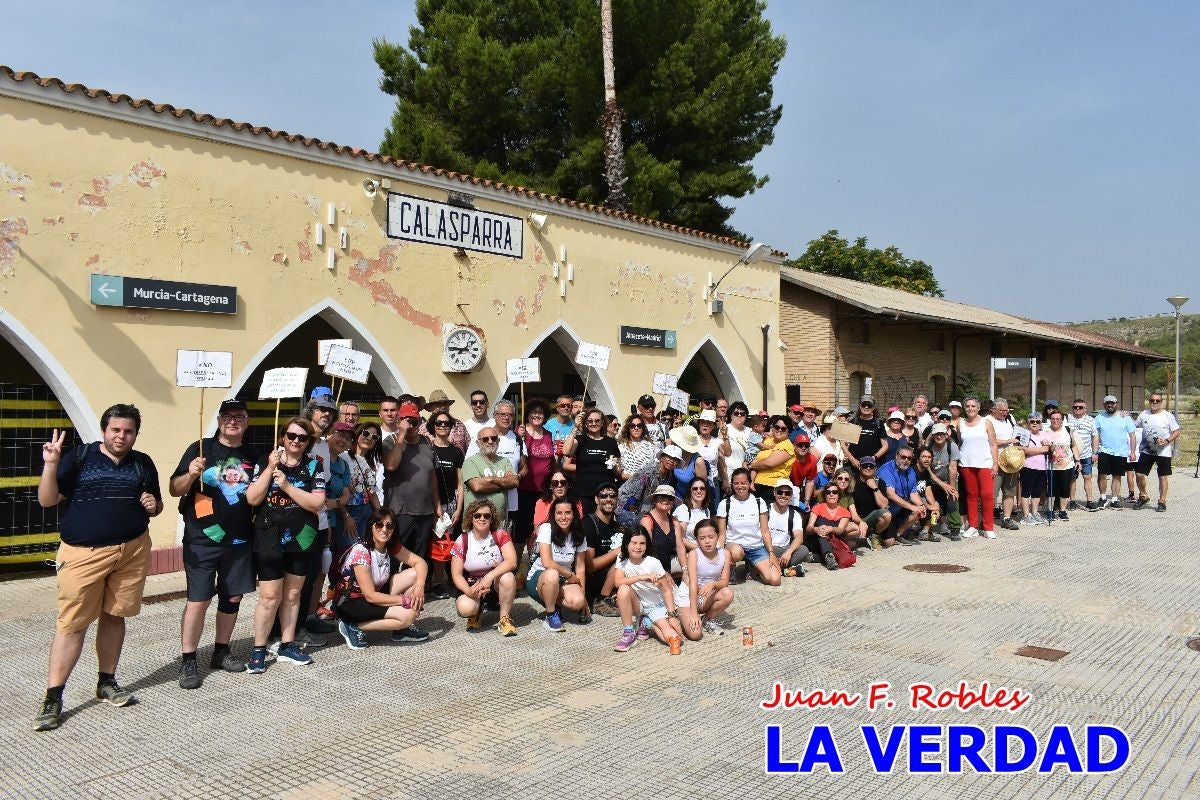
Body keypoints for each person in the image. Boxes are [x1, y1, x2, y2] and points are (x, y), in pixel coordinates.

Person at [34, 405, 162, 731]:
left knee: (115, 615)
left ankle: (107, 682)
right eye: (116, 430)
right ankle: (53, 697)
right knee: (72, 624)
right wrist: (50, 465)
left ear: (135, 433)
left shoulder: (142, 463)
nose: (121, 436)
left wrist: (154, 505)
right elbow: (47, 500)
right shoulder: (79, 457)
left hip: (131, 551)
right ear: (105, 430)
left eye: (128, 431)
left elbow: (156, 503)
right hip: (83, 554)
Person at [169, 399, 257, 690]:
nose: (233, 421)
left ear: (247, 421)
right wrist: (192, 473)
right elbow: (174, 489)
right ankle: (189, 659)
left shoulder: (254, 454)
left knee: (232, 597)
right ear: (219, 420)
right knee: (199, 599)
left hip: (240, 538)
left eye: (239, 416)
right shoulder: (201, 447)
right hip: (202, 538)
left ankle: (221, 650)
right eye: (228, 416)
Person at [245, 417, 326, 673]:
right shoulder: (265, 461)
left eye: (302, 438)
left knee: (292, 594)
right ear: (283, 436)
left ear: (308, 442)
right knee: (269, 595)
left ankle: (287, 644)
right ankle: (258, 648)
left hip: (302, 537)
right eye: (291, 436)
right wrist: (270, 469)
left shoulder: (315, 466)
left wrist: (288, 486)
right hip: (269, 535)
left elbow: (317, 504)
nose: (296, 441)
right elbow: (252, 498)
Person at [331, 509, 429, 650]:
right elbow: (371, 596)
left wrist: (419, 587)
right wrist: (404, 601)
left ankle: (401, 630)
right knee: (409, 615)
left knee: (415, 574)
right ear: (371, 526)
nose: (384, 530)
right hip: (351, 602)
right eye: (379, 525)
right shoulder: (361, 551)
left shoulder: (389, 546)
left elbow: (420, 563)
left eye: (389, 526)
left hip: (374, 593)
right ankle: (351, 626)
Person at [381, 401, 442, 578]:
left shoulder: (427, 443)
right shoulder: (391, 440)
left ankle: (411, 593)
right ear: (400, 421)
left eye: (415, 422)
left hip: (425, 511)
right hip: (401, 511)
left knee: (418, 557)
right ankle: (388, 591)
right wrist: (401, 435)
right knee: (394, 553)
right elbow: (391, 466)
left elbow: (432, 478)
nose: (411, 426)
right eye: (407, 421)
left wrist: (437, 505)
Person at [450, 499, 518, 635]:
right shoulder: (462, 539)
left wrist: (489, 576)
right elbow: (456, 574)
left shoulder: (500, 534)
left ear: (492, 518)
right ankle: (476, 610)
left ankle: (504, 619)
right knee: (465, 608)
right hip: (472, 585)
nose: (482, 518)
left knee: (508, 577)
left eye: (487, 516)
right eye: (477, 515)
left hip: (495, 584)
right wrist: (468, 591)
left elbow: (512, 561)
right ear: (471, 517)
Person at [612, 528, 684, 652]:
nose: (638, 547)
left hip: (656, 605)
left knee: (674, 637)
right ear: (626, 544)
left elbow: (667, 590)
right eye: (633, 543)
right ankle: (629, 634)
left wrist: (672, 615)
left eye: (642, 543)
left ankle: (647, 623)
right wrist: (642, 577)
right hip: (639, 603)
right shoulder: (622, 558)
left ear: (647, 545)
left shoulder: (653, 563)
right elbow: (618, 582)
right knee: (623, 589)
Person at [527, 497, 590, 631]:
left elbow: (580, 568)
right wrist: (569, 575)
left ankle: (555, 603)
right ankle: (551, 615)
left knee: (577, 601)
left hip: (563, 579)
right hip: (540, 577)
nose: (563, 517)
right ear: (553, 514)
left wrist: (583, 597)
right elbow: (547, 562)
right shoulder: (546, 528)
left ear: (574, 514)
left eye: (567, 512)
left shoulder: (579, 533)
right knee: (552, 574)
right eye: (559, 513)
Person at [716, 468, 781, 586]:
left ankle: (752, 567)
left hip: (756, 547)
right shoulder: (725, 503)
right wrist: (717, 555)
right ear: (732, 484)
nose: (740, 486)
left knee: (775, 580)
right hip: (734, 546)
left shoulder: (759, 501)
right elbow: (722, 534)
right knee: (736, 552)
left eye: (743, 483)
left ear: (749, 483)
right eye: (736, 483)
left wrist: (771, 552)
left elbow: (765, 531)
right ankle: (730, 568)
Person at [427, 409, 465, 598]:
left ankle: (453, 579)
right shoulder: (427, 448)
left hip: (451, 504)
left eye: (446, 423)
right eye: (438, 423)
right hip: (432, 504)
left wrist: (458, 508)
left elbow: (460, 481)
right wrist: (436, 506)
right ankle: (437, 582)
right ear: (433, 426)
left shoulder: (456, 451)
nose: (442, 426)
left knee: (452, 543)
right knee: (438, 544)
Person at [677, 520, 734, 638]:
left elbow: (724, 582)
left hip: (706, 595)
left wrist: (713, 584)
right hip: (688, 596)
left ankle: (708, 619)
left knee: (727, 593)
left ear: (718, 537)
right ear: (697, 540)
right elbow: (693, 584)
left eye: (711, 537)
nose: (707, 541)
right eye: (702, 538)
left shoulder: (725, 554)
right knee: (695, 635)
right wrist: (693, 613)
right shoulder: (694, 554)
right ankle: (684, 616)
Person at [563, 407, 622, 516]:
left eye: (597, 420)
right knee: (585, 525)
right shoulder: (580, 440)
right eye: (589, 421)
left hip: (605, 494)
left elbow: (618, 469)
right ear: (585, 423)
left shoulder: (611, 442)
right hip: (584, 492)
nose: (593, 423)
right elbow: (566, 451)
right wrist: (575, 427)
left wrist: (616, 465)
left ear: (602, 423)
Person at [461, 426, 520, 530]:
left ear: (498, 440)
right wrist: (504, 482)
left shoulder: (505, 461)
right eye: (485, 439)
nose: (490, 441)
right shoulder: (470, 462)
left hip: (500, 525)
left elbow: (514, 482)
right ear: (478, 443)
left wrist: (491, 480)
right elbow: (477, 486)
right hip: (477, 525)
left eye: (493, 438)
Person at [515, 401, 555, 552]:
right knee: (521, 532)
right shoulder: (520, 433)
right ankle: (516, 570)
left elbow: (553, 462)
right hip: (524, 490)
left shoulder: (549, 435)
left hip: (543, 491)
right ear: (528, 414)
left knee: (539, 531)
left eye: (540, 412)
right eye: (533, 412)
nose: (537, 415)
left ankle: (533, 569)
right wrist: (520, 437)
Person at [1133, 392, 1182, 512]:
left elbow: (1176, 431)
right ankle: (1143, 496)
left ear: (1161, 402)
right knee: (1139, 474)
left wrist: (1167, 440)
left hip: (1163, 451)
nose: (1155, 402)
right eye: (1152, 400)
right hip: (1147, 450)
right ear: (1149, 401)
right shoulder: (1144, 414)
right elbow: (1133, 425)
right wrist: (1124, 416)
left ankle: (1162, 501)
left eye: (1157, 401)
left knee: (1162, 476)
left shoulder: (1167, 416)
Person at [958, 397, 998, 539]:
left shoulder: (986, 422)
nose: (970, 408)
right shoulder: (961, 423)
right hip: (966, 464)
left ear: (978, 408)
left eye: (973, 406)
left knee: (987, 495)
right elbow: (959, 443)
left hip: (985, 464)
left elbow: (993, 444)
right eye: (967, 406)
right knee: (971, 496)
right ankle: (973, 526)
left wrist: (995, 463)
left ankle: (988, 527)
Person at [583, 483, 625, 617]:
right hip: (591, 581)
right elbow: (589, 566)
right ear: (596, 500)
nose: (608, 499)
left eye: (612, 496)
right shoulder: (589, 524)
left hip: (611, 577)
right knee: (620, 560)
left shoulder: (616, 525)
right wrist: (618, 551)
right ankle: (600, 601)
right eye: (603, 496)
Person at [617, 444, 684, 524]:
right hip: (626, 505)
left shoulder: (670, 476)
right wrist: (634, 520)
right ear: (661, 457)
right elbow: (633, 498)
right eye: (668, 457)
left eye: (675, 459)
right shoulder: (648, 471)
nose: (671, 461)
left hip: (645, 509)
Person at [1092, 394, 1136, 509]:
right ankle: (1102, 498)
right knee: (1102, 475)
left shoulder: (1125, 417)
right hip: (1104, 451)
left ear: (1116, 404)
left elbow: (1132, 435)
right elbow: (1095, 436)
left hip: (1120, 452)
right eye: (1107, 403)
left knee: (1117, 476)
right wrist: (1095, 452)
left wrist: (1132, 452)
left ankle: (1115, 500)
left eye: (1112, 403)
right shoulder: (1099, 418)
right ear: (1104, 405)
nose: (1110, 405)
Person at [878, 445, 927, 545]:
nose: (906, 460)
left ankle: (898, 534)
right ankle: (874, 533)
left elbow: (913, 492)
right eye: (903, 457)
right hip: (885, 511)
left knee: (919, 510)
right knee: (888, 542)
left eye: (909, 458)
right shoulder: (886, 470)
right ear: (896, 456)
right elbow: (891, 495)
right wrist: (912, 507)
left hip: (900, 508)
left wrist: (921, 505)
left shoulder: (911, 471)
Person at [987, 398, 1021, 531]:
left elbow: (1016, 434)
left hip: (1011, 462)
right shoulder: (988, 420)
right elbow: (990, 440)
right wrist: (1008, 441)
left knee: (1009, 491)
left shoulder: (1010, 419)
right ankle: (987, 518)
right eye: (1002, 410)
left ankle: (1007, 518)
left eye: (1006, 410)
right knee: (992, 492)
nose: (1005, 413)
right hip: (994, 461)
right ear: (993, 410)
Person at [640, 484, 687, 577]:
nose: (665, 500)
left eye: (669, 497)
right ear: (654, 500)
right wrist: (662, 573)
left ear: (673, 502)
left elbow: (680, 547)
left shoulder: (674, 522)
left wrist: (685, 571)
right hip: (649, 571)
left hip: (667, 571)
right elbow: (646, 550)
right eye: (661, 497)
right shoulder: (647, 521)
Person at [925, 423, 962, 539]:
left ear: (946, 435)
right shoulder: (928, 447)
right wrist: (941, 484)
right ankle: (931, 526)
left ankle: (955, 527)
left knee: (953, 498)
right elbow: (927, 469)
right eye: (936, 434)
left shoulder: (952, 446)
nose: (939, 436)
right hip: (932, 478)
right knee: (934, 503)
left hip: (948, 478)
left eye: (941, 434)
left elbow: (952, 468)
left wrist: (951, 487)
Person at [766, 480, 810, 575]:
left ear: (791, 496)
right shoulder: (766, 509)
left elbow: (799, 537)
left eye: (787, 493)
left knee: (803, 550)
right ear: (774, 493)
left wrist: (788, 552)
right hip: (767, 548)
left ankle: (772, 568)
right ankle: (785, 569)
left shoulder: (794, 514)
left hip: (783, 550)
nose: (783, 495)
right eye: (780, 492)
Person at [749, 415, 795, 505]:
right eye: (777, 427)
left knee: (766, 515)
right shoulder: (768, 441)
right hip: (757, 484)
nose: (779, 430)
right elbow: (756, 455)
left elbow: (769, 463)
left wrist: (751, 465)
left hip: (773, 487)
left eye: (783, 428)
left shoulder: (787, 445)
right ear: (773, 428)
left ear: (789, 431)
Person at [1044, 410, 1080, 521]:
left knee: (1065, 489)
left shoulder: (1067, 430)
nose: (1055, 421)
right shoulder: (1045, 431)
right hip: (1051, 465)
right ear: (1050, 419)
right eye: (1053, 419)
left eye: (1058, 419)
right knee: (1051, 489)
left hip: (1067, 465)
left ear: (1062, 420)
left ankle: (1062, 511)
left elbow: (1073, 446)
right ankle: (1050, 511)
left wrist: (1078, 461)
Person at [851, 456, 893, 549]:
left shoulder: (880, 482)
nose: (868, 468)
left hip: (873, 519)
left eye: (871, 466)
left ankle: (874, 535)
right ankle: (861, 535)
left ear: (875, 469)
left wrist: (875, 488)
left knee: (889, 542)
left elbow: (884, 505)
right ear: (860, 467)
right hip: (856, 518)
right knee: (851, 545)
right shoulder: (852, 481)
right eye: (865, 465)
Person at [806, 485, 851, 570]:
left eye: (834, 492)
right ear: (825, 495)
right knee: (822, 523)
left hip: (834, 542)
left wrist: (831, 528)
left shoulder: (844, 512)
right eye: (828, 492)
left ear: (839, 495)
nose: (831, 494)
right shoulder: (817, 508)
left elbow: (840, 530)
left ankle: (822, 557)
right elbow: (808, 528)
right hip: (817, 541)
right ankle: (828, 555)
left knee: (824, 526)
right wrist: (816, 529)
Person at [1018, 414, 1051, 526]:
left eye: (1037, 421)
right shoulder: (1025, 435)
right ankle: (1026, 515)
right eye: (1032, 421)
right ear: (1028, 423)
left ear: (1041, 423)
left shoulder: (1045, 434)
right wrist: (1041, 449)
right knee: (1026, 491)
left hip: (1042, 467)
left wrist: (1031, 450)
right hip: (1028, 467)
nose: (1035, 423)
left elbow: (1047, 448)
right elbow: (1024, 450)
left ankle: (1035, 512)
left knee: (1037, 492)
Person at [1066, 399, 1098, 511]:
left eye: (1080, 407)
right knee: (1072, 479)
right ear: (1072, 408)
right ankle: (1073, 501)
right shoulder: (1067, 419)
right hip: (1071, 455)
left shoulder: (1090, 420)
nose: (1078, 409)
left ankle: (1089, 501)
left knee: (1087, 477)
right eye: (1075, 407)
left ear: (1085, 409)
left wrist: (1095, 452)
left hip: (1086, 455)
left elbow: (1095, 436)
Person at [694, 409, 731, 501]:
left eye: (709, 423)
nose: (705, 425)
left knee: (714, 512)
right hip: (695, 481)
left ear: (713, 426)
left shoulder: (716, 441)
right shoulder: (693, 440)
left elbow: (727, 453)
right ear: (699, 424)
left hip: (713, 482)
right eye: (702, 422)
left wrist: (725, 436)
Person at [665, 424, 708, 500]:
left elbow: (702, 488)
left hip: (693, 500)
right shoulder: (678, 454)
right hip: (678, 496)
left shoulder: (698, 461)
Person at [846, 395, 887, 473]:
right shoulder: (853, 422)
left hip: (871, 466)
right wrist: (852, 459)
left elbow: (885, 446)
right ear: (860, 406)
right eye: (864, 404)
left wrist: (874, 457)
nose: (866, 407)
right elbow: (844, 444)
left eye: (869, 405)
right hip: (854, 466)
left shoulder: (879, 423)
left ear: (873, 408)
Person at [422, 389, 470, 453]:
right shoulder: (423, 429)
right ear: (430, 408)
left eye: (445, 404)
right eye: (438, 404)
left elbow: (469, 447)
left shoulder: (458, 425)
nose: (442, 407)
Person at [673, 476, 713, 551]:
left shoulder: (706, 510)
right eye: (695, 488)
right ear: (690, 491)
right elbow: (681, 538)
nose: (699, 491)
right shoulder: (683, 509)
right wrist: (700, 550)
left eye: (702, 488)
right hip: (688, 551)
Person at [617, 413, 658, 482]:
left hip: (647, 485)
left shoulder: (650, 446)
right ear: (628, 428)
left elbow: (655, 467)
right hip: (628, 485)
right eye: (633, 426)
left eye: (639, 425)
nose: (636, 428)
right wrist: (637, 478)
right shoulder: (621, 447)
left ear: (643, 428)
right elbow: (620, 473)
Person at [723, 401, 760, 474]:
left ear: (746, 416)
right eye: (736, 413)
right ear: (731, 415)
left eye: (742, 414)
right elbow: (726, 453)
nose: (739, 415)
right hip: (729, 473)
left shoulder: (750, 431)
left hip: (747, 473)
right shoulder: (725, 429)